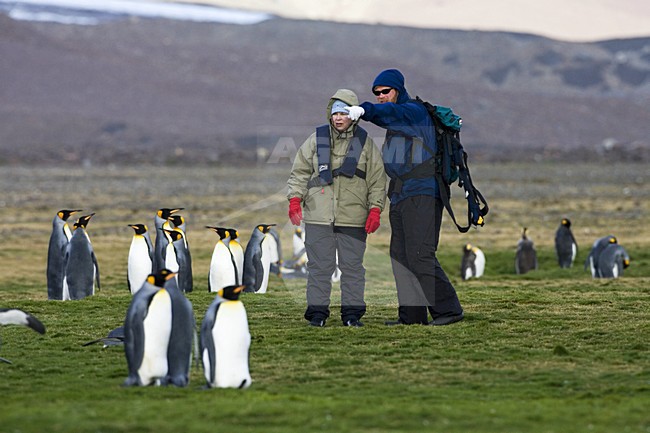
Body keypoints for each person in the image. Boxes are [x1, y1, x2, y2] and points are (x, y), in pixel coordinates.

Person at [345, 69, 464, 326]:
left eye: (385, 92)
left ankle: (449, 311)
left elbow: (391, 113)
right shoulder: (397, 121)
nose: (381, 97)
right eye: (376, 94)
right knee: (401, 256)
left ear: (397, 90)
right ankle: (412, 316)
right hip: (400, 194)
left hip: (422, 192)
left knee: (420, 254)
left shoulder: (412, 112)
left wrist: (364, 110)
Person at [287, 89, 386, 327]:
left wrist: (375, 209)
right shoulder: (315, 140)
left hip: (353, 217)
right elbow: (299, 173)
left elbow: (377, 180)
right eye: (335, 113)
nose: (338, 118)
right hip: (318, 216)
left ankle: (352, 315)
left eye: (343, 113)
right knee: (319, 268)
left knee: (352, 269)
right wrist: (294, 199)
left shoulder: (367, 145)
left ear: (353, 115)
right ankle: (317, 315)